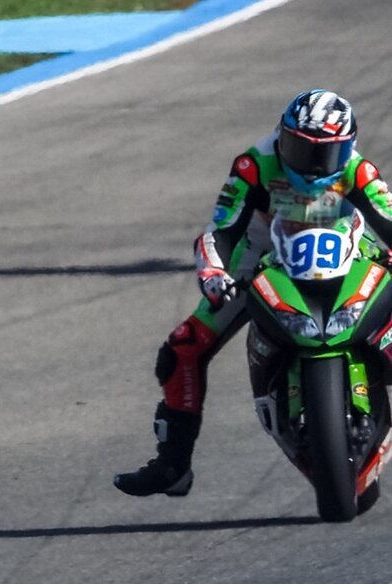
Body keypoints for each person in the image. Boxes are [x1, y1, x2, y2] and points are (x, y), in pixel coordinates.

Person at [115, 90, 392, 496]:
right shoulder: (253, 164)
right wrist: (212, 271)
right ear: (282, 136)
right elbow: (222, 231)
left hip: (348, 253)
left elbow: (387, 219)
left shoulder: (358, 170)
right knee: (182, 349)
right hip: (263, 256)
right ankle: (173, 465)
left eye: (324, 154)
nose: (312, 166)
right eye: (300, 149)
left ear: (346, 148)